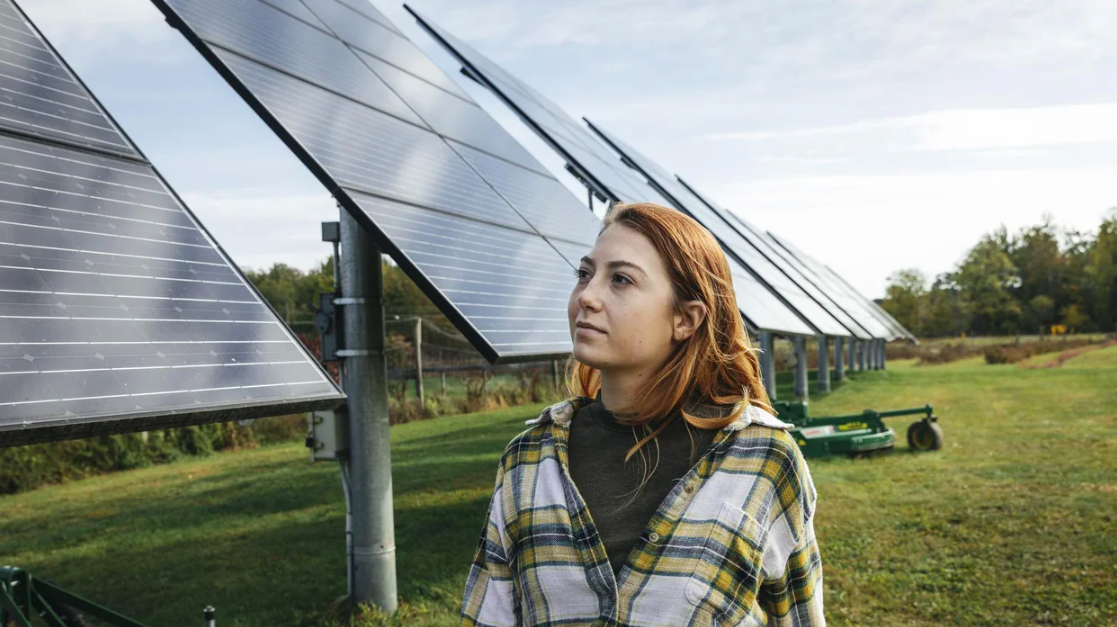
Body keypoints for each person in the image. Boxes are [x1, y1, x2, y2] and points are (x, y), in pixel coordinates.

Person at [460, 203, 824, 626]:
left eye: (621, 279)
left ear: (685, 319)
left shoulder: (765, 459)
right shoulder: (526, 459)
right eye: (584, 274)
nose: (587, 297)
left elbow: (799, 617)